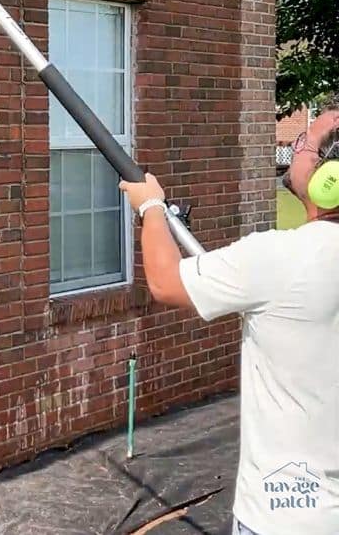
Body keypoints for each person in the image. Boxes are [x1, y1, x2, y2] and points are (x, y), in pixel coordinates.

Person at [119, 98, 339, 535]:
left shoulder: (279, 258)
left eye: (306, 153)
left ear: (324, 184)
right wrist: (314, 140)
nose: (301, 155)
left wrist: (151, 208)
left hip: (287, 515)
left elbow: (164, 282)